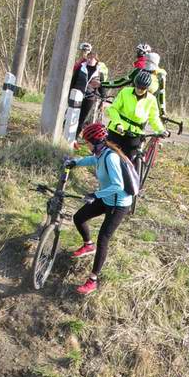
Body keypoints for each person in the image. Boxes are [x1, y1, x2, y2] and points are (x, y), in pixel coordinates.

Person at [64, 122, 133, 296]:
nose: (86, 144)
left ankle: (93, 280)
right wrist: (75, 162)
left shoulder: (110, 157)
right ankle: (88, 245)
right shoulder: (101, 153)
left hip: (118, 203)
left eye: (88, 141)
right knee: (79, 217)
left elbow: (118, 185)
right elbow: (93, 159)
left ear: (96, 141)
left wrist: (96, 194)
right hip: (106, 197)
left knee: (104, 238)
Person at [104, 69, 166, 160]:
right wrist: (118, 123)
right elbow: (113, 109)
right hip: (117, 129)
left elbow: (154, 118)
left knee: (129, 161)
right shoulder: (125, 92)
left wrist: (161, 130)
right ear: (135, 84)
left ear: (147, 88)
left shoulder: (151, 99)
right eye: (138, 87)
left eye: (143, 88)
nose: (140, 90)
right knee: (109, 156)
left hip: (135, 134)